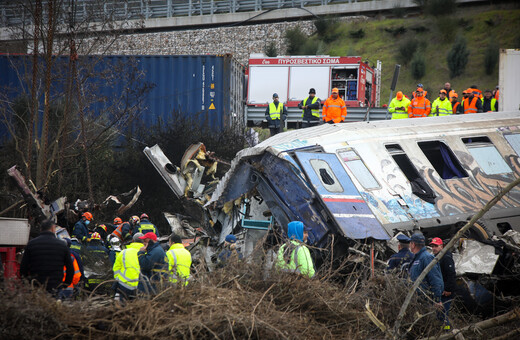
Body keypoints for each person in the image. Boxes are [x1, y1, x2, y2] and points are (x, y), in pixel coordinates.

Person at [20, 220, 74, 294]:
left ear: (41, 229)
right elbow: (70, 268)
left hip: (36, 287)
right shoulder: (62, 245)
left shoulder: (31, 244)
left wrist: (28, 283)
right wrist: (65, 285)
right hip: (55, 287)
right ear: (53, 228)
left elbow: (23, 267)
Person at [408, 233, 444, 307]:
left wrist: (437, 300)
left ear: (413, 244)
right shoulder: (417, 257)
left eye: (410, 243)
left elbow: (435, 278)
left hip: (427, 300)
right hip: (417, 299)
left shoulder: (426, 258)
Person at [430, 237, 457, 330]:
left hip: (446, 292)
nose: (433, 248)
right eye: (432, 246)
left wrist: (448, 289)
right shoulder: (436, 257)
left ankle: (447, 331)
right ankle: (444, 330)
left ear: (441, 246)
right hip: (440, 291)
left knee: (443, 315)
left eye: (436, 246)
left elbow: (451, 274)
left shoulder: (446, 258)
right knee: (440, 314)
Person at [113, 233, 143, 301]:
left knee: (121, 308)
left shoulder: (124, 252)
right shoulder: (146, 253)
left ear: (132, 241)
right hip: (140, 286)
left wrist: (117, 278)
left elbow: (116, 268)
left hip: (124, 285)